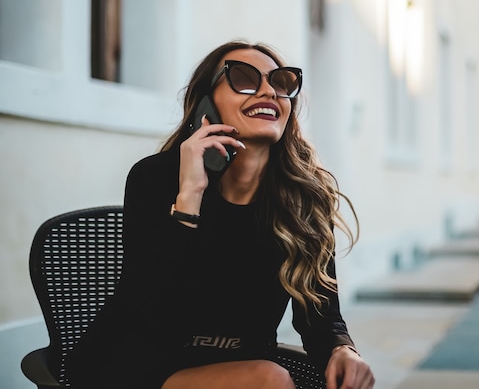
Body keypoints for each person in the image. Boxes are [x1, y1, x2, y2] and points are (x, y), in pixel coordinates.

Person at [66, 40, 375, 389]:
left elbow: (321, 317)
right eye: (244, 78)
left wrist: (342, 350)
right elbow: (150, 314)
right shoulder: (155, 178)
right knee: (268, 380)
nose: (268, 92)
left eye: (281, 82)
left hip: (240, 369)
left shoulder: (304, 200)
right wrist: (189, 197)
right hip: (135, 368)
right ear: (206, 105)